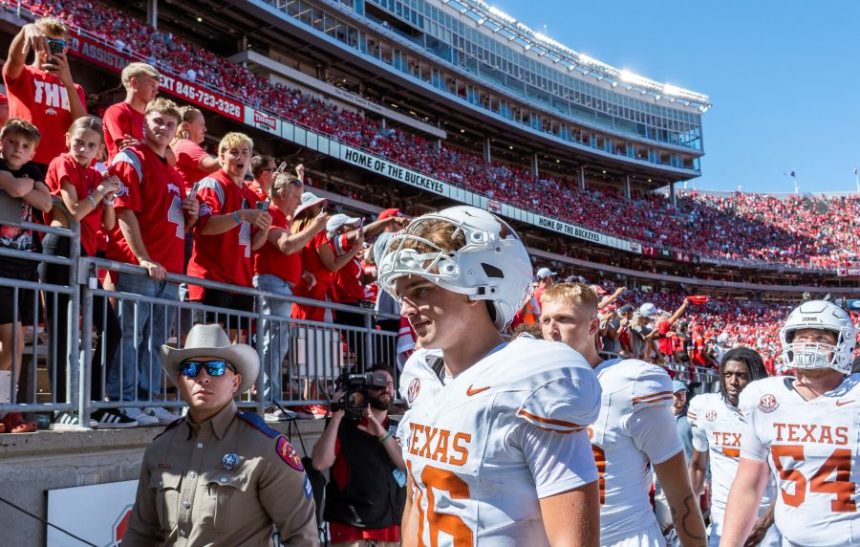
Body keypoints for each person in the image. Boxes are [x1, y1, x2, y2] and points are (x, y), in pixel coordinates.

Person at [378, 206, 602, 545]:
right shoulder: (421, 373)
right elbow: (417, 500)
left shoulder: (532, 377)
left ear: (477, 285)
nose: (407, 308)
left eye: (422, 289)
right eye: (404, 294)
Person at [539, 282, 706, 546]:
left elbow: (679, 492)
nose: (551, 329)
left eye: (564, 319)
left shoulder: (629, 384)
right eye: (545, 319)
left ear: (593, 327)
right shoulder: (533, 388)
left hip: (625, 538)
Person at [123, 323, 319, 545]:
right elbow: (140, 534)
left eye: (215, 368)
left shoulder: (265, 448)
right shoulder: (160, 448)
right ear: (179, 380)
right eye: (191, 369)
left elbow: (302, 537)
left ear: (235, 382)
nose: (203, 377)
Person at [721, 300, 860, 547]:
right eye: (802, 336)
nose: (809, 344)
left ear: (844, 343)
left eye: (820, 337)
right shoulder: (765, 399)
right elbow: (748, 485)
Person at [109, 97, 199, 426]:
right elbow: (124, 213)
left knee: (157, 341)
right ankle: (124, 398)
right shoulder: (130, 157)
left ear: (177, 130)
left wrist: (191, 216)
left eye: (169, 124)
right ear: (144, 122)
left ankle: (148, 398)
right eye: (157, 121)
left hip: (170, 270)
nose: (162, 128)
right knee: (130, 334)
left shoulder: (174, 173)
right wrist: (142, 257)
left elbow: (174, 222)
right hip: (139, 265)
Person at [41, 116, 132, 429]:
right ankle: (59, 408)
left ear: (99, 150)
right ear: (68, 139)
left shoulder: (95, 172)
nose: (84, 149)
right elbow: (76, 211)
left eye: (92, 145)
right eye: (79, 142)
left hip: (87, 257)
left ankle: (93, 402)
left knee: (112, 330)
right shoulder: (61, 162)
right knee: (62, 331)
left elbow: (107, 224)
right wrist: (100, 190)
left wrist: (108, 198)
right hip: (62, 249)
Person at [687, 347, 777, 547]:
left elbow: (788, 477)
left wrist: (766, 522)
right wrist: (690, 510)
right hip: (723, 517)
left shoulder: (775, 413)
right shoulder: (705, 408)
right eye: (728, 374)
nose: (733, 382)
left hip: (766, 519)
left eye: (741, 375)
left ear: (756, 376)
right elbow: (697, 465)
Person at [253, 173, 327, 412]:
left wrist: (301, 273)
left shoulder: (282, 218)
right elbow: (286, 246)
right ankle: (268, 399)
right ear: (282, 193)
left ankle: (271, 397)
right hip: (271, 284)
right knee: (273, 343)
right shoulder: (272, 214)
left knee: (277, 344)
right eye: (296, 195)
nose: (298, 201)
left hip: (280, 284)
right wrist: (315, 228)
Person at [187, 132, 271, 333]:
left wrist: (264, 230)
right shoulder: (213, 183)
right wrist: (239, 216)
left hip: (241, 281)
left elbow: (252, 244)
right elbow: (205, 227)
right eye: (234, 152)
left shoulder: (250, 194)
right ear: (222, 156)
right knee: (208, 346)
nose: (240, 157)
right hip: (212, 278)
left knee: (234, 348)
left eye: (245, 152)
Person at [312, 365, 406, 546]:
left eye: (389, 383)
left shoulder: (398, 427)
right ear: (365, 389)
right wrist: (336, 416)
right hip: (353, 530)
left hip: (393, 528)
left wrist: (380, 431)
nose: (385, 388)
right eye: (378, 383)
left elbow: (406, 465)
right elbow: (320, 463)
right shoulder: (343, 425)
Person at [0, 118, 50, 434]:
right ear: (1, 142)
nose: (18, 149)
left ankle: (7, 408)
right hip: (2, 266)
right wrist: (26, 184)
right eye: (13, 143)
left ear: (33, 152)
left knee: (13, 346)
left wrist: (27, 185)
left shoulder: (34, 171)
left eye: (25, 146)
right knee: (12, 344)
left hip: (23, 266)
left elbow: (45, 202)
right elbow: (19, 189)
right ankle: (6, 407)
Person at [2, 17, 86, 170]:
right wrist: (25, 30)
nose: (52, 48)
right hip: (18, 158)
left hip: (56, 167)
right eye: (48, 42)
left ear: (65, 49)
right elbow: (14, 59)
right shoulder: (24, 74)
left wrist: (68, 84)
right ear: (37, 42)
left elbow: (82, 127)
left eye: (58, 45)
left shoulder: (75, 89)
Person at [102, 62, 159, 161]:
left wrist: (143, 147)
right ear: (134, 83)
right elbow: (127, 149)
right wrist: (153, 149)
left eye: (157, 87)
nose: (156, 91)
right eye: (152, 84)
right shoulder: (117, 111)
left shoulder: (152, 119)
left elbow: (170, 157)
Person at [171, 106, 219, 191]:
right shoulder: (186, 145)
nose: (205, 129)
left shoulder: (180, 144)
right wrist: (235, 152)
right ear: (186, 125)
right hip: (187, 199)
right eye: (202, 125)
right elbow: (213, 166)